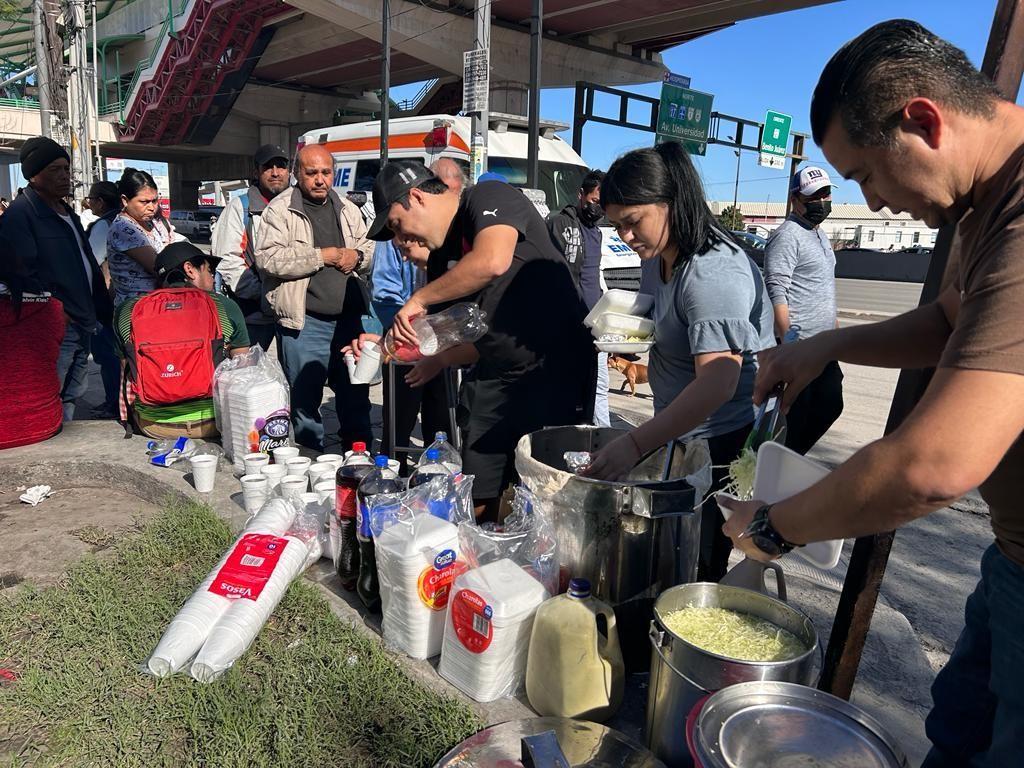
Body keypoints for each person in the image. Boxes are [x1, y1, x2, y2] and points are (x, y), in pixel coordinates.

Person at [715, 20, 1024, 767]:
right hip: (1011, 563)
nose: (876, 203)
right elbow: (953, 322)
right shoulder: (988, 206)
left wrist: (779, 528)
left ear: (922, 120)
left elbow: (933, 466)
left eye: (866, 176)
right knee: (957, 734)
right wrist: (830, 344)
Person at [581, 142, 775, 582]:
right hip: (682, 433)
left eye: (633, 223)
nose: (627, 238)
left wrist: (635, 444)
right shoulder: (666, 255)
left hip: (718, 443)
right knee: (667, 548)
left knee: (697, 561)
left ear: (671, 203)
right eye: (618, 227)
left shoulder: (711, 271)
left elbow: (718, 382)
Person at [365, 162, 595, 520]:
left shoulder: (486, 197)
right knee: (479, 485)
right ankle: (484, 551)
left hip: (554, 367)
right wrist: (379, 346)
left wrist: (419, 298)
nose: (401, 240)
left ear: (416, 197)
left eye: (397, 224)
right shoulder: (442, 263)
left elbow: (492, 260)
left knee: (547, 486)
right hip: (497, 372)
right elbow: (443, 333)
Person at [255, 143, 375, 452]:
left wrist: (357, 255)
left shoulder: (348, 208)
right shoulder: (280, 210)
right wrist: (320, 256)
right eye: (311, 173)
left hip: (350, 321)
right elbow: (268, 259)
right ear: (297, 174)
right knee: (305, 399)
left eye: (326, 172)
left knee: (355, 394)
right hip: (305, 322)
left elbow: (372, 248)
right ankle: (310, 464)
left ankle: (357, 461)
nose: (320, 179)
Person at [0, 136, 112, 421]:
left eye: (66, 169)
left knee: (74, 391)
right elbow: (20, 273)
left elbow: (85, 263)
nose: (64, 176)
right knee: (50, 393)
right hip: (55, 326)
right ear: (34, 175)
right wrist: (56, 312)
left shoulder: (67, 213)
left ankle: (64, 442)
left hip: (83, 319)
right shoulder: (21, 216)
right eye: (55, 170)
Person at [115, 241, 249, 438]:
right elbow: (243, 369)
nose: (213, 277)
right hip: (213, 423)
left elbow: (126, 371)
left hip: (153, 425)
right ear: (190, 270)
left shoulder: (129, 310)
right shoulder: (224, 306)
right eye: (209, 270)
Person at [762, 166, 843, 455]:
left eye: (825, 193)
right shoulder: (788, 235)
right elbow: (776, 289)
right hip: (800, 346)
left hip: (823, 344)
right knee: (795, 415)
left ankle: (785, 462)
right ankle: (770, 475)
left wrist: (834, 325)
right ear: (795, 199)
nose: (822, 201)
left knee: (831, 403)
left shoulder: (819, 235)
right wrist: (788, 344)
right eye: (813, 196)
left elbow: (823, 285)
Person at [547, 170, 611, 427]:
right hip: (568, 327)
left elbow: (593, 278)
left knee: (595, 391)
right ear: (581, 195)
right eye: (595, 201)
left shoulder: (597, 233)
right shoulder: (560, 224)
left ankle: (593, 437)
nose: (598, 209)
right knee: (565, 396)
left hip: (594, 326)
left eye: (602, 205)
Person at [213, 144, 291, 350]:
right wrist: (263, 294)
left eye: (281, 166)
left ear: (289, 171)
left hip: (294, 313)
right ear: (256, 172)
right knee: (248, 374)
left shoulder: (298, 205)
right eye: (268, 167)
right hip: (254, 314)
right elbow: (227, 260)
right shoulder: (241, 207)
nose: (275, 173)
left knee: (294, 378)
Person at [107, 168, 180, 306]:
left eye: (154, 201)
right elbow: (159, 267)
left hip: (159, 304)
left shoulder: (151, 222)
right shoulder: (124, 228)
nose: (152, 207)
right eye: (144, 202)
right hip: (138, 310)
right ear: (125, 200)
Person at [83, 180, 124, 418]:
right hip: (126, 302)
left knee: (107, 355)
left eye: (91, 199)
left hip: (106, 303)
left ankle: (113, 404)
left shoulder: (103, 226)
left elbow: (91, 264)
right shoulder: (127, 220)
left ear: (99, 201)